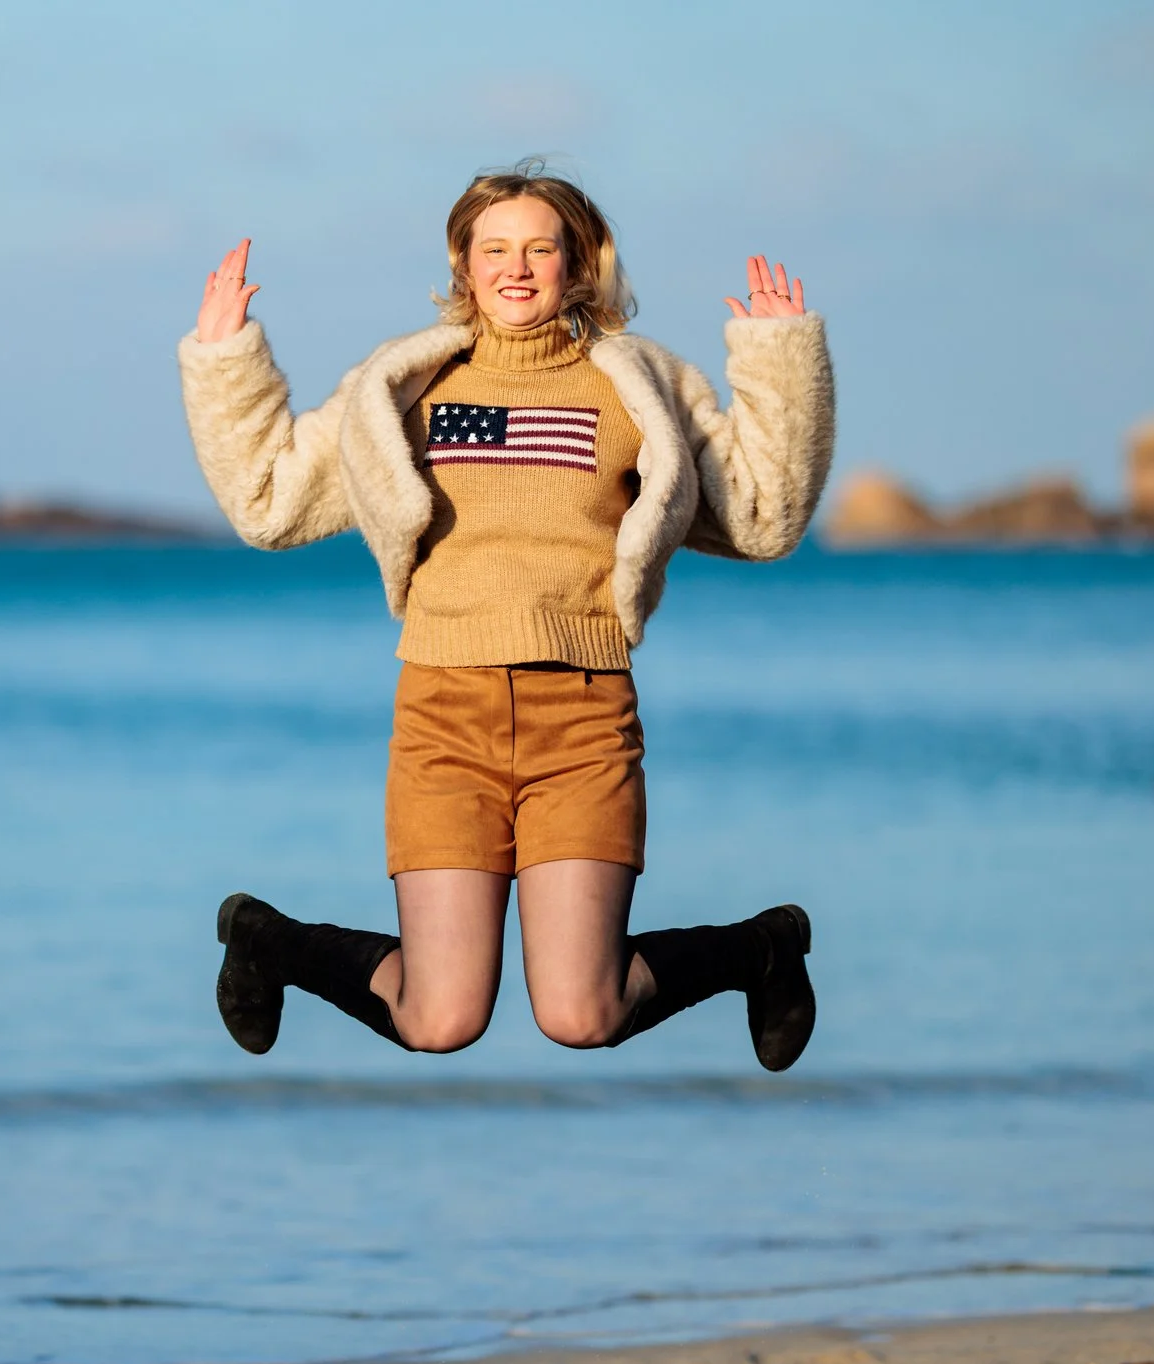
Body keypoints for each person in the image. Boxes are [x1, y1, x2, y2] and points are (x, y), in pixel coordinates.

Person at [180, 161, 834, 1071]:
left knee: (583, 1012)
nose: (516, 268)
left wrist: (777, 361)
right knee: (437, 1019)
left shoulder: (638, 385)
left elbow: (763, 518)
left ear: (579, 263)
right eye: (494, 249)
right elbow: (269, 502)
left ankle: (761, 951)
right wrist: (226, 360)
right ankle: (271, 944)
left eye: (539, 248)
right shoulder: (402, 385)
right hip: (444, 719)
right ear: (464, 262)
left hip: (585, 722)